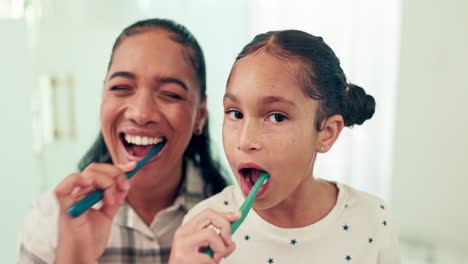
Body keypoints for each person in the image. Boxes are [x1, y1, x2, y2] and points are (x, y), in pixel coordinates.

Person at [170, 30, 400, 264]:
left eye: (277, 117)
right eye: (235, 113)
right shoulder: (202, 227)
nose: (245, 141)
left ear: (327, 133)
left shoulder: (372, 220)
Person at [17, 18, 228, 264]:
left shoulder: (234, 219)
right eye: (121, 88)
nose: (140, 113)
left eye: (170, 94)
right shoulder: (48, 219)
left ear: (199, 115)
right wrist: (74, 255)